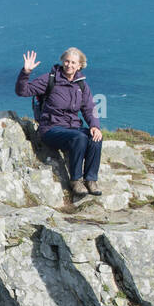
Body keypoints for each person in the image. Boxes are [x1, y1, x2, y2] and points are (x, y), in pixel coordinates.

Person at [15, 46, 102, 197]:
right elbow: (22, 91)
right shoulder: (50, 79)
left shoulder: (81, 84)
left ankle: (91, 180)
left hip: (72, 127)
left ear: (80, 66)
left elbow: (89, 108)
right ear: (62, 62)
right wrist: (26, 72)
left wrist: (95, 126)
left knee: (95, 138)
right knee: (79, 138)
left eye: (73, 63)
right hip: (51, 129)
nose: (69, 65)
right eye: (66, 61)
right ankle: (75, 180)